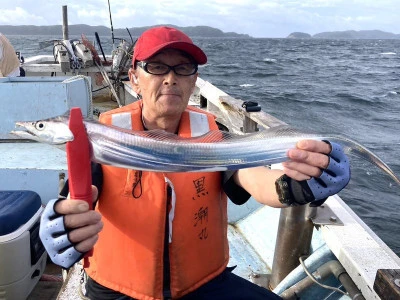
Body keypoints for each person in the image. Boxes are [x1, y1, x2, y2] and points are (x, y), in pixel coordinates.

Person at [39, 26, 350, 300]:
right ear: (134, 77)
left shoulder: (213, 139)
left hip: (203, 285)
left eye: (183, 69)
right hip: (117, 290)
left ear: (194, 80)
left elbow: (253, 177)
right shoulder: (103, 140)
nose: (171, 78)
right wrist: (61, 226)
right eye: (157, 67)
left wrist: (300, 183)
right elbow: (75, 201)